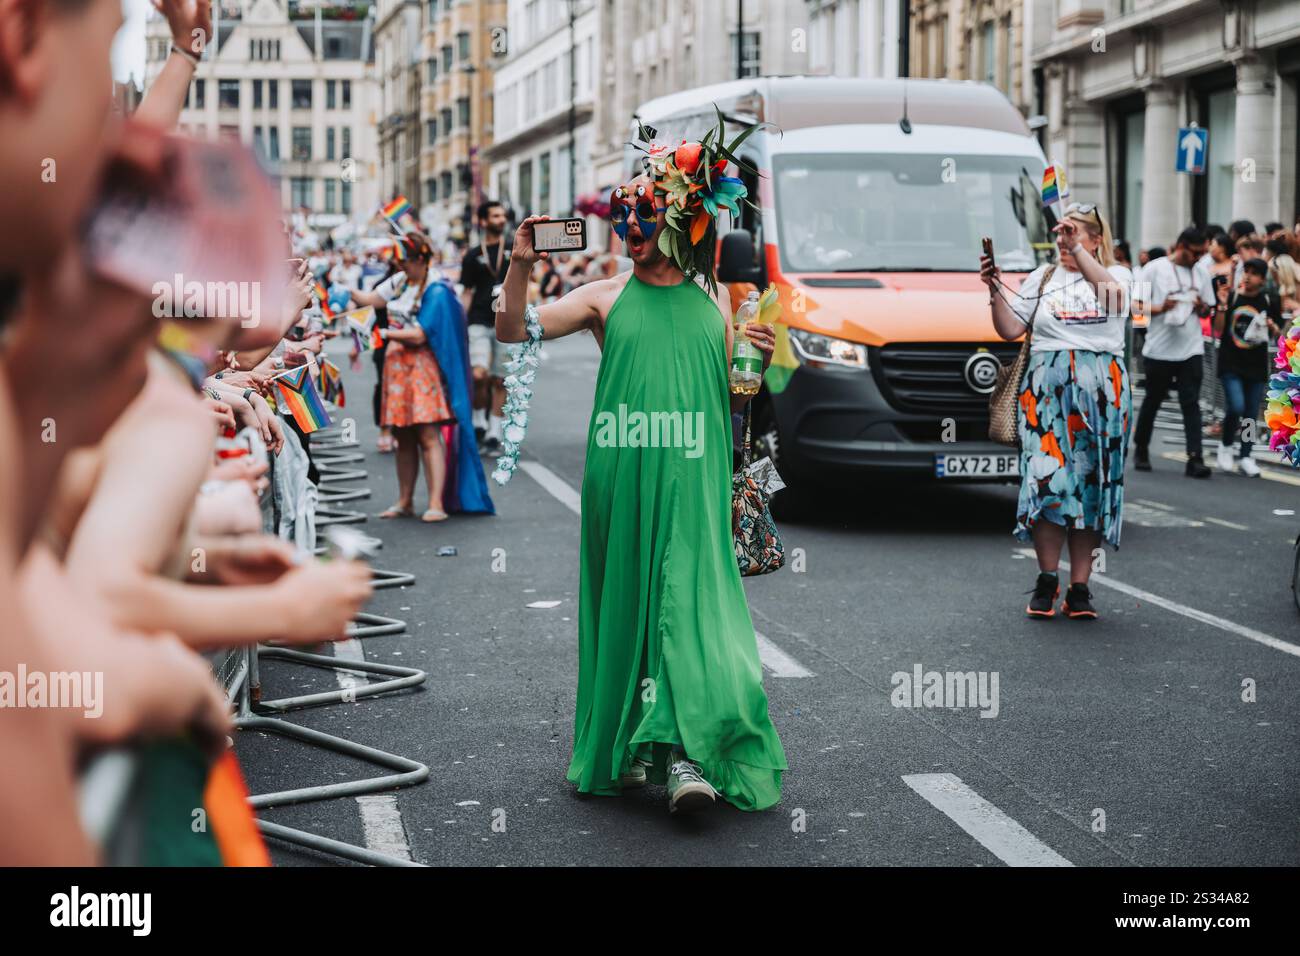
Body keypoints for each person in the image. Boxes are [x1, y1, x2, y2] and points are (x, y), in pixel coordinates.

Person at [496, 119, 786, 815]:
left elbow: (733, 397)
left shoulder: (719, 298)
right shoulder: (603, 295)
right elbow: (513, 330)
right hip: (620, 480)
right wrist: (520, 260)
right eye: (622, 212)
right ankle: (629, 745)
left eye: (644, 211)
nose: (629, 223)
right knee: (628, 609)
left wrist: (757, 362)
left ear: (682, 217)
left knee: (686, 611)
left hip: (695, 479)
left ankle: (685, 755)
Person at [982, 201, 1131, 620]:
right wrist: (993, 288)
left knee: (1090, 487)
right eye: (1061, 235)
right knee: (1048, 481)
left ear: (1096, 240)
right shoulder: (1042, 276)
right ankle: (1048, 579)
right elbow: (1010, 328)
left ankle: (1080, 587)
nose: (1064, 242)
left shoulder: (1118, 274)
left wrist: (1081, 256)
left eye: (1075, 235)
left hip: (1102, 394)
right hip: (1047, 395)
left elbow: (1116, 303)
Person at [377, 233, 494, 521]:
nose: (400, 266)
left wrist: (385, 334)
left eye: (404, 261)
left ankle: (436, 503)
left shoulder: (438, 289)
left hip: (421, 369)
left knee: (428, 434)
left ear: (419, 259)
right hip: (397, 369)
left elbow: (419, 335)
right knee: (402, 435)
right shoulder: (403, 282)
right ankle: (404, 500)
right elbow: (372, 299)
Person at [1132, 227, 1214, 477]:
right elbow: (1136, 309)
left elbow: (1208, 310)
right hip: (1159, 348)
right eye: (1195, 252)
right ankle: (1141, 448)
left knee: (1191, 402)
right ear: (1181, 246)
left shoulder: (1201, 273)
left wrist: (1202, 308)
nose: (1199, 258)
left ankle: (1195, 457)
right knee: (1153, 400)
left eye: (1203, 253)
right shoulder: (1154, 269)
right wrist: (1160, 308)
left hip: (1191, 347)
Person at [1213, 258, 1282, 476]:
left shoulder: (1269, 300)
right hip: (1231, 362)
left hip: (1256, 365)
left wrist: (1272, 327)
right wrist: (1223, 305)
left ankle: (1246, 455)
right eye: (1246, 271)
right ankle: (1225, 446)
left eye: (1253, 273)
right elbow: (1218, 328)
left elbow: (1280, 333)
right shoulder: (1232, 296)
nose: (1247, 276)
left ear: (1262, 279)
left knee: (1251, 414)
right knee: (1236, 407)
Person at [459, 200, 512, 453]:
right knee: (479, 375)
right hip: (478, 320)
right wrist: (461, 320)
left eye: (503, 215)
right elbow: (467, 291)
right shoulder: (472, 255)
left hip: (507, 320)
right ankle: (478, 421)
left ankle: (494, 430)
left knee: (499, 379)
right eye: (495, 215)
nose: (501, 219)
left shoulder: (513, 248)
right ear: (483, 221)